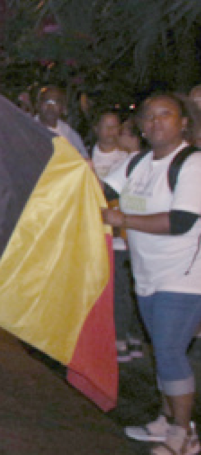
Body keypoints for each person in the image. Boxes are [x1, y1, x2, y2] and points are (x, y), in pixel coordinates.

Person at [102, 93, 201, 455]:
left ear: (183, 122)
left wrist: (122, 220)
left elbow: (181, 221)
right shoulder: (137, 163)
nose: (157, 122)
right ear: (141, 126)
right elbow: (99, 190)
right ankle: (166, 419)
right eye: (149, 117)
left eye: (166, 115)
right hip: (146, 275)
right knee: (162, 350)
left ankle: (184, 433)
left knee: (171, 352)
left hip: (184, 277)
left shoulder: (192, 164)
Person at [92, 110, 144, 362]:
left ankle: (120, 341)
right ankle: (134, 339)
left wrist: (87, 171)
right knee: (133, 290)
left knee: (120, 291)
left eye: (121, 130)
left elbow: (105, 190)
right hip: (138, 237)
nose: (116, 134)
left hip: (122, 237)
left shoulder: (131, 161)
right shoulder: (146, 160)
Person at [35, 86, 89, 159]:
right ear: (38, 105)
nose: (50, 106)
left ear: (63, 107)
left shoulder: (69, 134)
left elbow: (83, 160)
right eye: (46, 101)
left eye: (55, 102)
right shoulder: (26, 128)